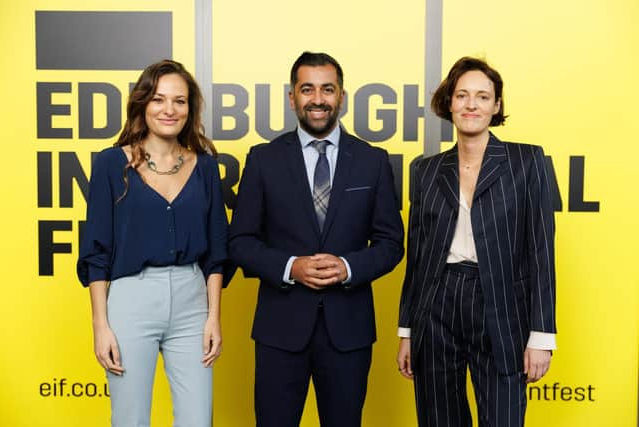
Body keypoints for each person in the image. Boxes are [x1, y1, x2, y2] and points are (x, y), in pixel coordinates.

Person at [228, 51, 404, 427]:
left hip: (349, 333)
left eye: (328, 89)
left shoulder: (373, 161)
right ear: (292, 97)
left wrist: (348, 267)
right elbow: (240, 241)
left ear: (342, 96)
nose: (318, 99)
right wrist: (291, 267)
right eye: (307, 89)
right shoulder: (264, 160)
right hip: (280, 331)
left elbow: (392, 243)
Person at [396, 56, 556, 426]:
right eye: (462, 95)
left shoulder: (527, 161)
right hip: (437, 306)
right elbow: (418, 258)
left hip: (501, 307)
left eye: (483, 97)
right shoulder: (426, 169)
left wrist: (542, 335)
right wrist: (407, 331)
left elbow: (541, 251)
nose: (471, 105)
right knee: (439, 419)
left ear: (497, 105)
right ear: (449, 103)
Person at [77, 59, 229, 427]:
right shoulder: (111, 165)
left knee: (197, 420)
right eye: (159, 99)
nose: (169, 109)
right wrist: (101, 325)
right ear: (143, 104)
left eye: (179, 101)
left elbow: (216, 251)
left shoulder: (206, 167)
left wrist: (213, 317)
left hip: (193, 299)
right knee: (130, 419)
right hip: (131, 298)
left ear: (190, 109)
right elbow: (96, 251)